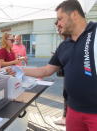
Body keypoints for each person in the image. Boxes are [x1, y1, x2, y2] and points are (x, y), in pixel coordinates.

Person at [11, 0, 97, 130]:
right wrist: (18, 68)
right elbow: (45, 70)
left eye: (60, 19)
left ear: (74, 14)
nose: (58, 24)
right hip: (73, 110)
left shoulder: (95, 32)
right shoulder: (64, 46)